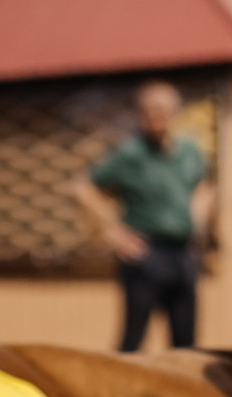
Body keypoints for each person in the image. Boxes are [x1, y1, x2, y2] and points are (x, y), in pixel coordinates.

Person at [74, 80, 217, 351]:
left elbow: (204, 184)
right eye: (150, 110)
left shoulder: (189, 151)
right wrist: (113, 233)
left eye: (163, 109)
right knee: (134, 339)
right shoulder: (131, 154)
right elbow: (84, 189)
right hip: (145, 252)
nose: (157, 116)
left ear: (176, 113)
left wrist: (198, 219)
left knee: (186, 343)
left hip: (183, 253)